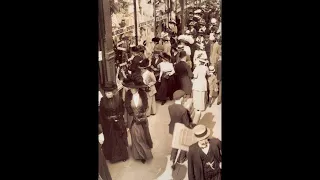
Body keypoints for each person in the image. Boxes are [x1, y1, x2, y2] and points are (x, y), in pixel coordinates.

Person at [123, 77, 153, 164]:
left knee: (143, 135)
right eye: (130, 88)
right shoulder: (128, 94)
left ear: (138, 88)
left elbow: (145, 106)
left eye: (134, 88)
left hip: (142, 117)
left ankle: (143, 152)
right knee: (136, 136)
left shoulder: (143, 94)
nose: (132, 90)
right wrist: (132, 115)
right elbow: (127, 107)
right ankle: (141, 155)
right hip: (133, 119)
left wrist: (141, 114)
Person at [99, 81, 129, 163]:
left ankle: (123, 156)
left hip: (118, 122)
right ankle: (112, 156)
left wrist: (117, 117)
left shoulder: (119, 99)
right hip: (108, 125)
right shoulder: (102, 101)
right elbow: (102, 113)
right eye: (106, 93)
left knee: (119, 139)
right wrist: (107, 119)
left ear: (112, 92)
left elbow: (122, 110)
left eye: (109, 93)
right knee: (111, 140)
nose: (108, 94)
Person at [168, 90, 195, 169]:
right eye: (184, 97)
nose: (185, 99)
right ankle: (181, 159)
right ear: (181, 98)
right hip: (182, 129)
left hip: (173, 128)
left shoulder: (170, 107)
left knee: (175, 144)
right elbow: (186, 123)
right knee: (184, 144)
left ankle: (172, 159)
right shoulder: (183, 110)